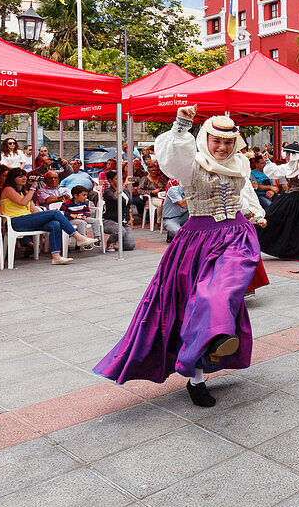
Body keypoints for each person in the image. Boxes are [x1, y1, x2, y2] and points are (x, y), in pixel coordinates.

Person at [94, 105, 267, 408]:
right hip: (198, 238)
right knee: (192, 303)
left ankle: (214, 339)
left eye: (228, 142)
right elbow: (173, 155)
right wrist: (181, 123)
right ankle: (197, 375)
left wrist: (255, 212)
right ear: (205, 140)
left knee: (219, 292)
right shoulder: (191, 163)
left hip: (237, 235)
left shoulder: (239, 163)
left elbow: (244, 193)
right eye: (217, 141)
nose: (223, 148)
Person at [0, 168, 98, 264]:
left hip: (26, 220)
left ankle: (56, 256)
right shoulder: (8, 189)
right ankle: (78, 237)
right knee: (55, 213)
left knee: (55, 223)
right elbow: (23, 203)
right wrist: (33, 187)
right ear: (13, 178)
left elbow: (32, 209)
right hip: (14, 221)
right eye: (20, 176)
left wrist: (42, 217)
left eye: (24, 175)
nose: (24, 178)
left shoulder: (24, 192)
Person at [102, 170, 136, 252]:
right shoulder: (108, 191)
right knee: (120, 230)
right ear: (110, 180)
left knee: (129, 246)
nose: (120, 181)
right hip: (110, 220)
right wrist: (124, 185)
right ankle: (110, 243)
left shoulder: (126, 191)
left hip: (123, 221)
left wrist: (131, 219)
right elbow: (115, 197)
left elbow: (129, 206)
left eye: (122, 178)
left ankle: (118, 241)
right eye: (117, 179)